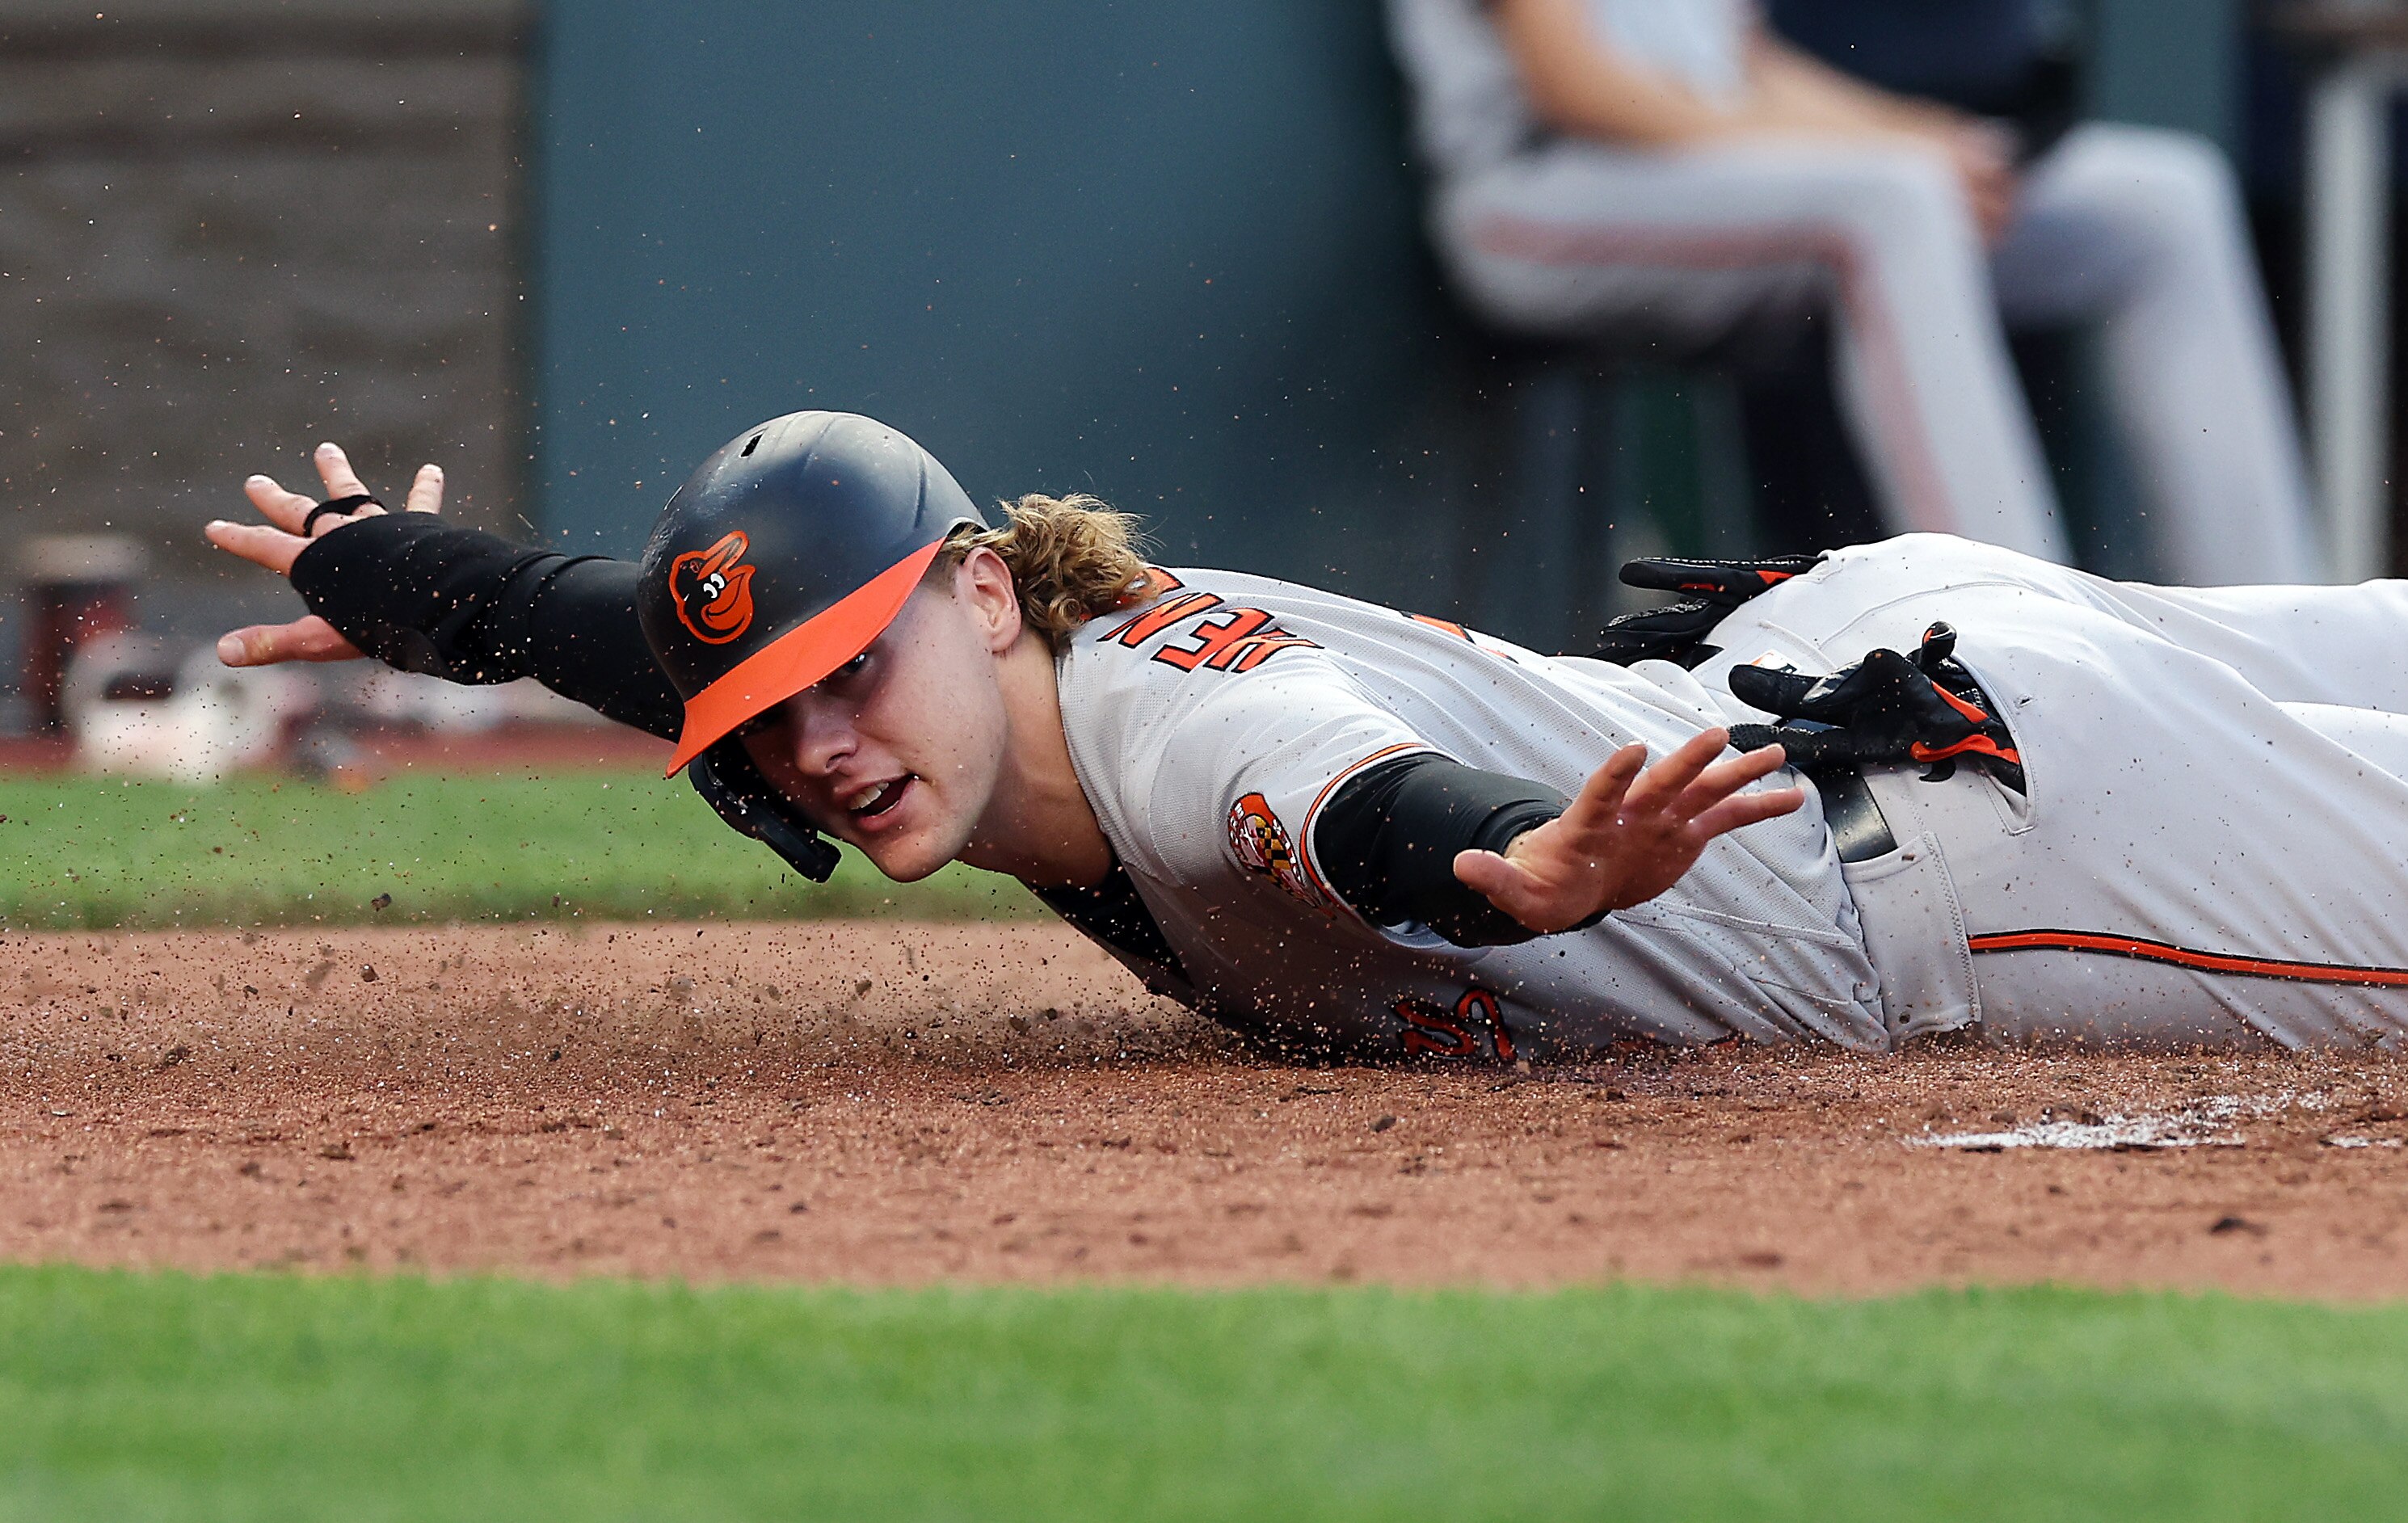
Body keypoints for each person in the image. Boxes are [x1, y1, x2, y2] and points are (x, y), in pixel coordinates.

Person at [207, 413, 2408, 1060]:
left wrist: (1504, 866)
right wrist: (390, 576)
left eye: (855, 671)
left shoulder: (1171, 717)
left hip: (2018, 835)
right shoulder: (963, 676)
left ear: (982, 590)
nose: (823, 746)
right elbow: (642, 631)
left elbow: (1346, 797)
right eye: (779, 715)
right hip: (1860, 661)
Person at [1383, 0, 2326, 585]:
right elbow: (1577, 87)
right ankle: (2025, 638)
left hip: (1715, 181)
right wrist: (1887, 156)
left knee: (2161, 198)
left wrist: (1917, 134)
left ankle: (2277, 641)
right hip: (1535, 198)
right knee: (1893, 202)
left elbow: (1745, 65)